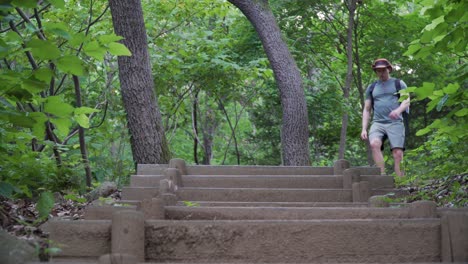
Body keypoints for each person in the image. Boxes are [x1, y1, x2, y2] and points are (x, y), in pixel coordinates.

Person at [361, 58, 410, 177]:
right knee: (374, 144)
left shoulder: (398, 83)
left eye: (383, 70)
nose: (381, 73)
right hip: (378, 122)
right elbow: (367, 109)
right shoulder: (372, 87)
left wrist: (398, 111)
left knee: (397, 153)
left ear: (389, 69)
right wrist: (364, 129)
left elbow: (407, 100)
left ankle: (401, 181)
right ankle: (382, 177)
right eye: (378, 71)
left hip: (395, 122)